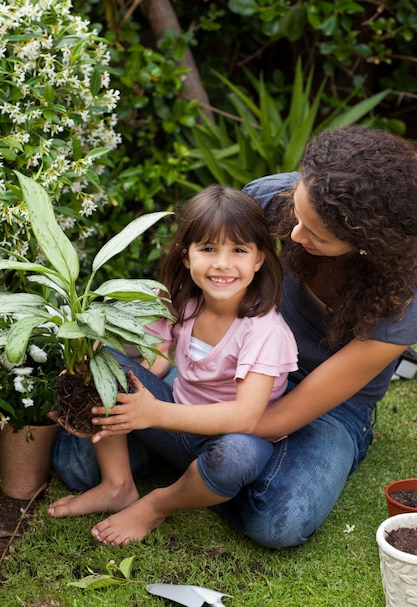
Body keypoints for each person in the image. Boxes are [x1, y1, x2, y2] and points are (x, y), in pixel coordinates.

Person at [50, 126, 417, 550]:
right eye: (297, 216)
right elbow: (190, 287)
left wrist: (159, 418)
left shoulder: (404, 295)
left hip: (324, 407)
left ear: (367, 244)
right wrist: (153, 377)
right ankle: (209, 473)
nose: (295, 235)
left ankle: (185, 484)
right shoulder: (273, 197)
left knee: (279, 522)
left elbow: (273, 417)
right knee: (74, 464)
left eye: (318, 236)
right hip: (226, 369)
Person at [48, 185, 298, 545]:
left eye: (239, 250)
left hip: (230, 437)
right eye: (208, 249)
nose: (222, 263)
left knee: (237, 457)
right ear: (186, 256)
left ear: (259, 259)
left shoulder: (264, 330)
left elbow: (245, 418)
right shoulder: (184, 302)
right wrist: (86, 387)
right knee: (102, 363)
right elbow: (156, 364)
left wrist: (152, 414)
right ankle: (116, 486)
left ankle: (156, 504)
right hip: (175, 419)